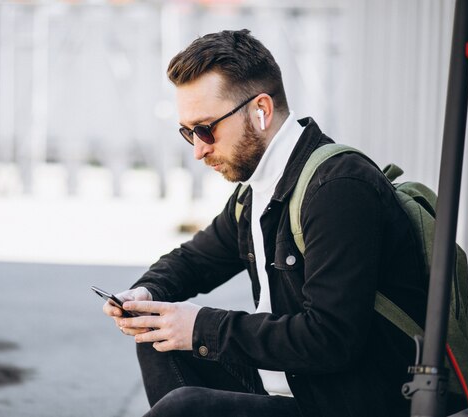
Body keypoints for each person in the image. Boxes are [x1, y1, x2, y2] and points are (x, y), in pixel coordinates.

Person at [101, 29, 440, 417]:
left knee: (186, 407)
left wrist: (202, 327)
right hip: (295, 384)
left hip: (352, 400)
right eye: (187, 132)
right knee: (157, 335)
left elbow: (330, 340)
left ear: (260, 110)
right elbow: (195, 260)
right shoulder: (258, 189)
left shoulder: (339, 188)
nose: (198, 150)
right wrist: (145, 293)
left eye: (205, 129)